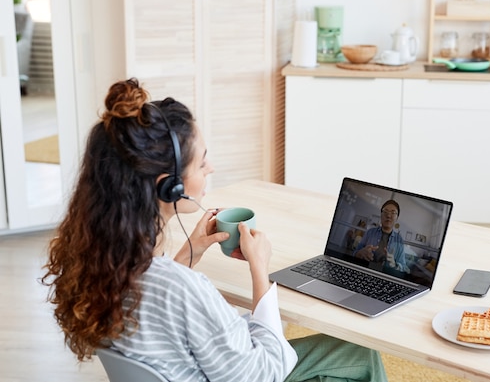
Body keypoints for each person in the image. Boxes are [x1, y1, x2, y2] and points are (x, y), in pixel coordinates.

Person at [41, 78, 388, 382]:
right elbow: (265, 371)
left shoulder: (93, 262)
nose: (211, 168)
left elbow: (157, 298)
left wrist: (193, 249)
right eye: (202, 161)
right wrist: (259, 269)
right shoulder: (185, 290)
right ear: (170, 187)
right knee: (361, 355)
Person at [353, 200, 408, 274]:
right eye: (385, 211)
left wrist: (394, 265)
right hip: (365, 271)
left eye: (393, 212)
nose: (388, 215)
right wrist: (360, 253)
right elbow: (354, 253)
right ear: (381, 215)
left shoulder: (399, 240)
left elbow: (403, 268)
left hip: (387, 275)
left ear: (397, 218)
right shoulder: (370, 232)